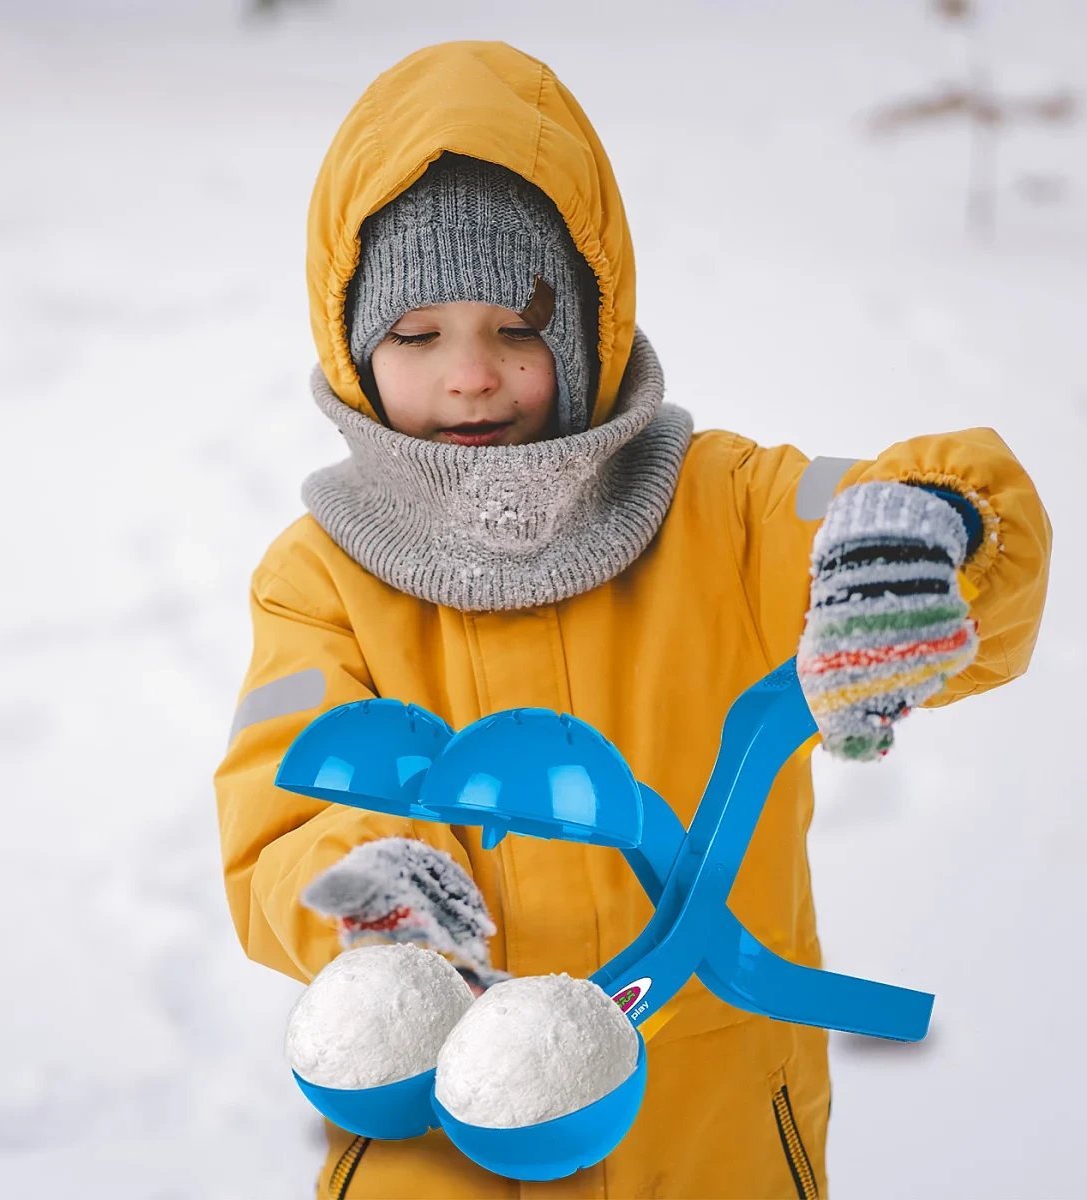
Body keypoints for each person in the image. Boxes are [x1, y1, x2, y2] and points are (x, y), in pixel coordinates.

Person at [213, 40, 1052, 1200]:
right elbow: (281, 811)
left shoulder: (724, 509)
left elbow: (922, 502)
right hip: (444, 1139)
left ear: (591, 323)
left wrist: (926, 530)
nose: (470, 375)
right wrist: (384, 903)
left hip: (715, 1134)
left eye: (520, 327)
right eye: (416, 335)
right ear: (353, 345)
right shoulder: (318, 578)